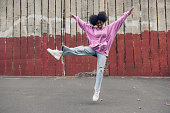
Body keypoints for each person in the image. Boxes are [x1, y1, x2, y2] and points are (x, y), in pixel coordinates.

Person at [47, 7, 134, 101]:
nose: (99, 24)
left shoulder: (109, 28)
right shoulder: (92, 29)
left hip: (103, 52)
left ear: (103, 21)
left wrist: (127, 13)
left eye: (100, 22)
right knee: (79, 49)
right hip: (93, 48)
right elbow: (83, 24)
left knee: (100, 70)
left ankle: (97, 91)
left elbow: (119, 21)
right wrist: (75, 17)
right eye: (97, 23)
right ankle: (60, 53)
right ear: (95, 23)